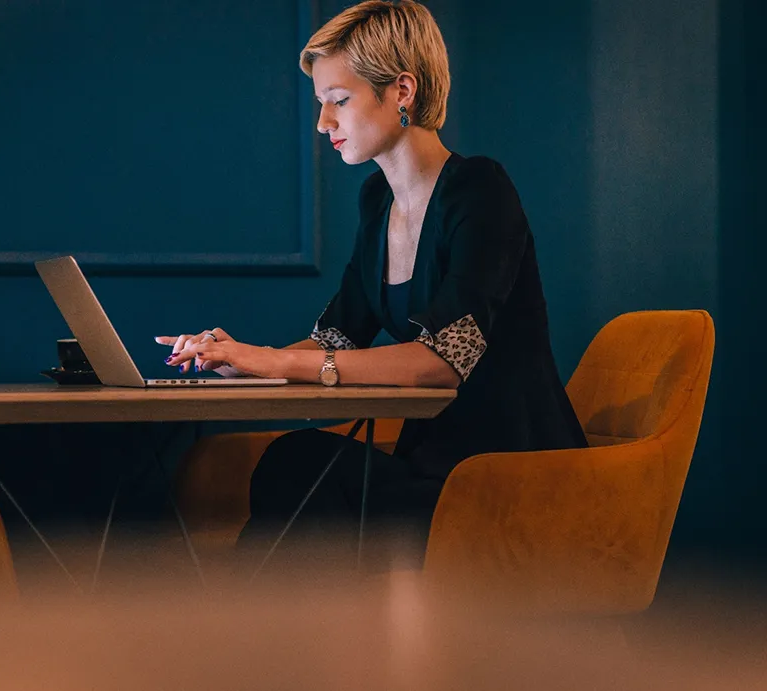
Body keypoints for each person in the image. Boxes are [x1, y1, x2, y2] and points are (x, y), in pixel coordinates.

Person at [157, 0, 587, 573]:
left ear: (402, 90)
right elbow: (339, 334)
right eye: (320, 105)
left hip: (503, 478)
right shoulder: (377, 202)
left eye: (339, 101)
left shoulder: (480, 190)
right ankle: (263, 643)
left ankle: (243, 641)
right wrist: (236, 357)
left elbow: (444, 360)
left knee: (305, 470)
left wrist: (273, 360)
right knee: (293, 462)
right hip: (430, 465)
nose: (323, 124)